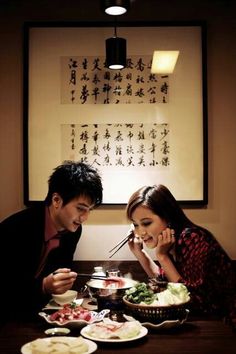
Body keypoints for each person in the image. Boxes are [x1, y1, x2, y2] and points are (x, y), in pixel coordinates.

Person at [0, 161, 103, 322]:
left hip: (39, 313)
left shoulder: (73, 230)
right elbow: (7, 285)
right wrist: (43, 286)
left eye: (89, 210)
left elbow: (60, 272)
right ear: (56, 200)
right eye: (80, 208)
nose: (84, 218)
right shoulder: (17, 228)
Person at [126, 184, 236, 318]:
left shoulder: (193, 238)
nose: (141, 232)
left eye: (147, 223)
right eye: (136, 225)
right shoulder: (170, 242)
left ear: (168, 217)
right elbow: (164, 282)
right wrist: (139, 253)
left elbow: (192, 301)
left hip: (224, 324)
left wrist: (162, 256)